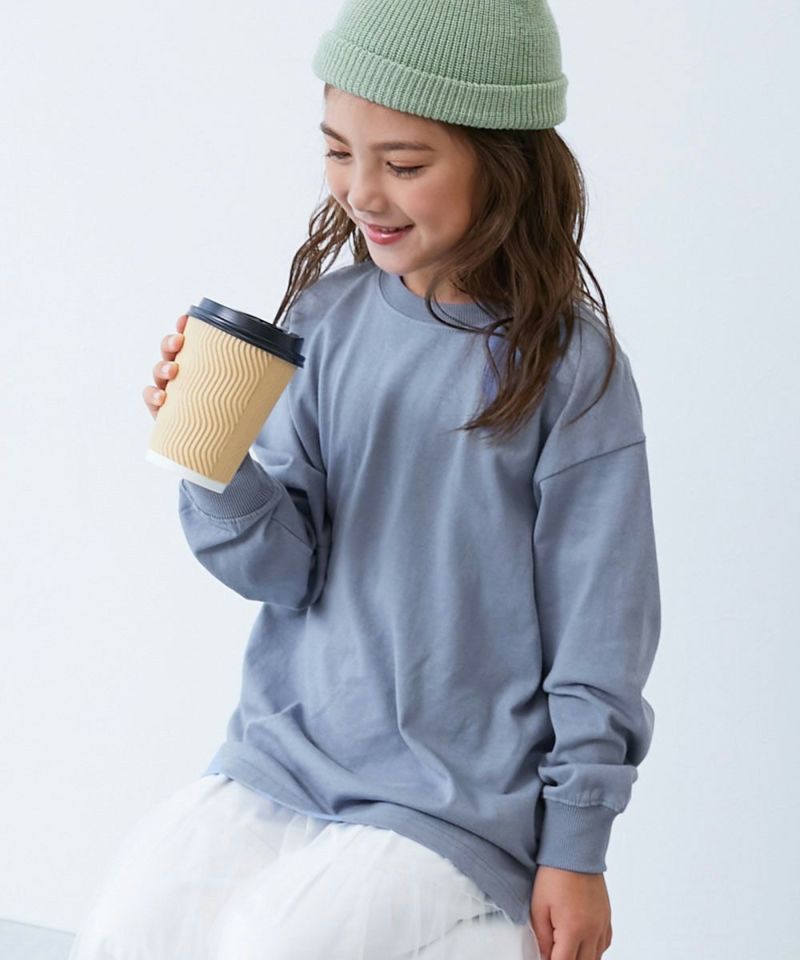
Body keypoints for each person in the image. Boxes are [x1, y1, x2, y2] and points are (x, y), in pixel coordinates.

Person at [69, 1, 661, 958]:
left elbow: (603, 630)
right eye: (339, 151)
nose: (362, 191)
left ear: (505, 162)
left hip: (454, 799)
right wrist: (212, 458)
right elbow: (283, 572)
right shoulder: (327, 319)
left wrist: (577, 850)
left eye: (405, 164)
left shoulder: (569, 372)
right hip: (285, 754)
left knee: (269, 946)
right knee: (124, 930)